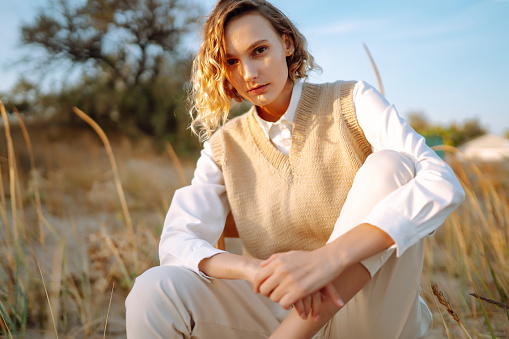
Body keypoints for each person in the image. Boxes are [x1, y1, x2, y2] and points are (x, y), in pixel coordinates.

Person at [125, 0, 465, 338]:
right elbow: (178, 241)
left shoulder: (352, 101)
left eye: (259, 50)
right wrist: (254, 270)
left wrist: (326, 261)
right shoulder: (223, 147)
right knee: (154, 289)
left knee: (391, 167)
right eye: (232, 61)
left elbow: (441, 182)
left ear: (286, 43)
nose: (249, 74)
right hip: (278, 309)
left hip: (369, 317)